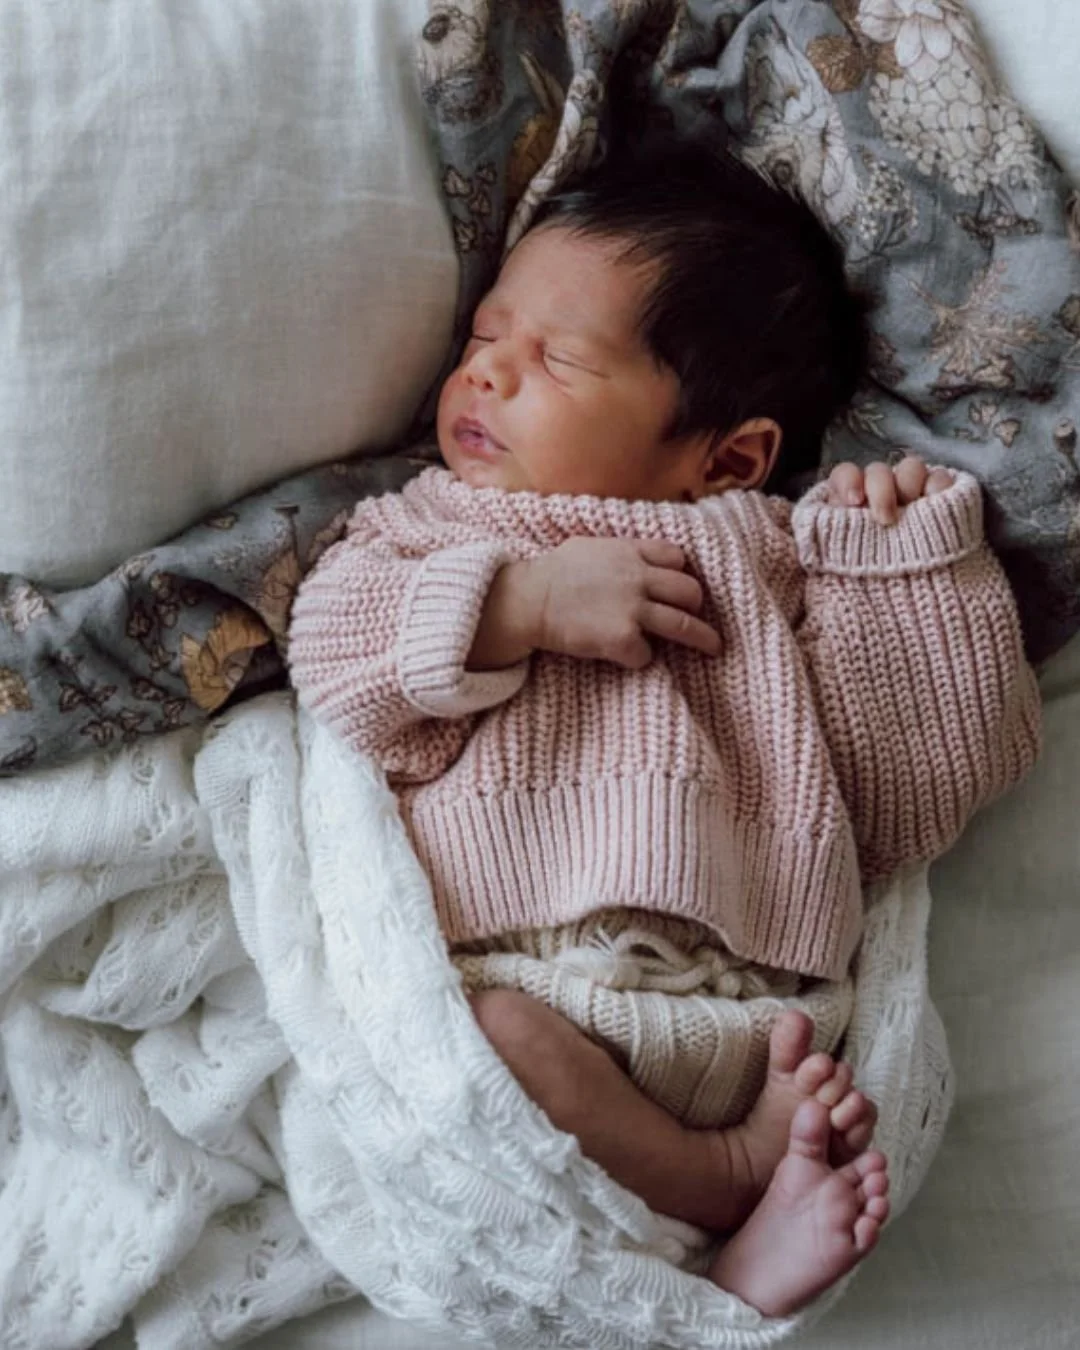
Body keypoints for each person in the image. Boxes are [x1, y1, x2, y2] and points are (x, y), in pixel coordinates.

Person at [287, 138, 1041, 1315]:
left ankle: (749, 1184)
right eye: (485, 337)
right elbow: (337, 660)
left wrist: (903, 574)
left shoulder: (775, 556)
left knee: (853, 1097)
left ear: (725, 458)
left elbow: (917, 788)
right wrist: (519, 602)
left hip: (757, 1023)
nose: (486, 374)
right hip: (536, 997)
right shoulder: (429, 531)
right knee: (492, 1045)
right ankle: (726, 1187)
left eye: (559, 359)